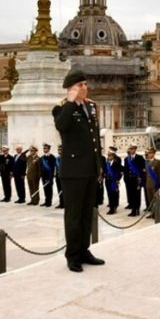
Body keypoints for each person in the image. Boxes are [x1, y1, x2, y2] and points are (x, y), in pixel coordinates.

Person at [52, 69, 104, 272]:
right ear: (71, 89)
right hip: (73, 171)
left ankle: (84, 250)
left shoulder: (91, 106)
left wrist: (99, 167)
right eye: (80, 85)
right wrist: (71, 101)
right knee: (73, 215)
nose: (85, 88)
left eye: (85, 84)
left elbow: (95, 140)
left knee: (86, 214)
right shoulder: (62, 108)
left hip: (90, 169)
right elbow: (62, 126)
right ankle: (72, 255)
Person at [122, 144, 145, 216]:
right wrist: (125, 179)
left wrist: (141, 178)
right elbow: (126, 170)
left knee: (137, 195)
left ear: (135, 149)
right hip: (129, 180)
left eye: (133, 149)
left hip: (137, 179)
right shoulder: (126, 159)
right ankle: (133, 209)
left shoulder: (140, 158)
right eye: (131, 149)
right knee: (131, 194)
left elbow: (143, 169)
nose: (132, 150)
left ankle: (137, 209)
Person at [103, 147, 122, 214]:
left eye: (110, 155)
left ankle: (114, 207)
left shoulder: (116, 163)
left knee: (114, 194)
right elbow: (105, 171)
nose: (109, 157)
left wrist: (117, 179)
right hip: (108, 181)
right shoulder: (107, 163)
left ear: (113, 156)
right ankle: (111, 207)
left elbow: (120, 172)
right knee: (109, 194)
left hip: (114, 181)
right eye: (108, 155)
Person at [39, 143, 56, 208]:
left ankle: (49, 202)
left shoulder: (52, 157)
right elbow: (41, 167)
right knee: (45, 189)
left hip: (49, 175)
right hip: (43, 176)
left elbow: (52, 168)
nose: (44, 149)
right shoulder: (42, 157)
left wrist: (51, 177)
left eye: (46, 148)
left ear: (49, 149)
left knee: (49, 189)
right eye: (44, 148)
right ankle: (46, 201)